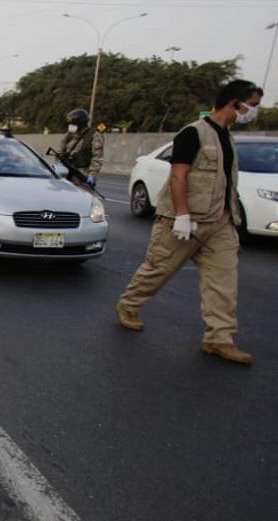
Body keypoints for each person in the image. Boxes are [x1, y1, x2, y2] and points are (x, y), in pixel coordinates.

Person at [115, 80, 263, 365]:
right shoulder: (193, 134)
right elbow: (179, 176)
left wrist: (233, 226)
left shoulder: (227, 137)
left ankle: (219, 339)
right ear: (235, 103)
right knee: (158, 270)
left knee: (224, 284)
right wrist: (182, 216)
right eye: (252, 105)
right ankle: (129, 306)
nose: (254, 111)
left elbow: (227, 185)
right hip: (182, 221)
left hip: (219, 222)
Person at [57, 108, 103, 187]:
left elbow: (97, 157)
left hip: (83, 174)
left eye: (73, 124)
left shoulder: (94, 135)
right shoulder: (70, 134)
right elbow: (61, 149)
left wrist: (92, 174)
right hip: (67, 173)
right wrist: (59, 163)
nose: (71, 126)